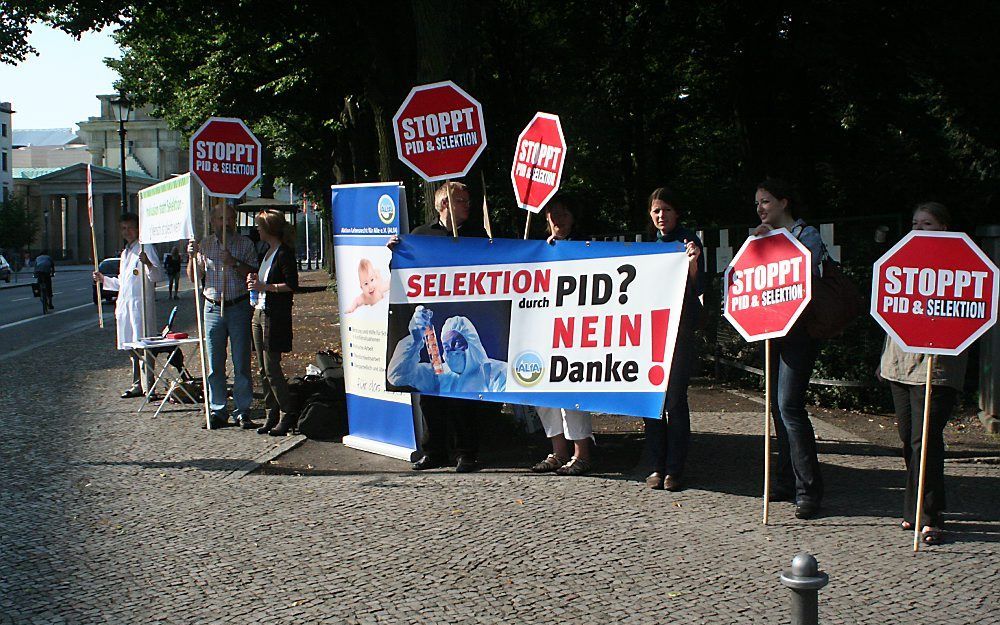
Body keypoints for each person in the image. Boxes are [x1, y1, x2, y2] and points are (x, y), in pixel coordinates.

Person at [878, 202, 966, 545]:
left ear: (943, 228)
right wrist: (883, 360)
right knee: (908, 438)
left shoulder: (960, 265)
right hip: (900, 364)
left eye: (927, 223)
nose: (919, 229)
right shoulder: (901, 261)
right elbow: (888, 309)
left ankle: (929, 515)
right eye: (914, 223)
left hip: (938, 368)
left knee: (925, 440)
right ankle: (916, 508)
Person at [389, 181, 491, 473]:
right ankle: (433, 450)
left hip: (463, 320)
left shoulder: (476, 235)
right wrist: (397, 254)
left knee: (464, 394)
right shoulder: (420, 236)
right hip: (433, 326)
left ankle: (466, 452)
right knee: (431, 396)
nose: (467, 206)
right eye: (461, 201)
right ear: (444, 204)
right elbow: (404, 277)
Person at [752, 178, 826, 519]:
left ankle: (808, 491)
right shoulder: (762, 238)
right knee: (778, 410)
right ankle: (785, 481)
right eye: (757, 204)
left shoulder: (806, 235)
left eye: (766, 201)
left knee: (790, 407)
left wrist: (773, 245)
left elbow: (805, 276)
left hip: (799, 334)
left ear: (784, 202)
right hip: (773, 332)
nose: (761, 208)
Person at [528, 195, 596, 476]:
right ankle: (558, 451)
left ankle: (582, 453)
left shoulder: (587, 246)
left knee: (572, 391)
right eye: (553, 214)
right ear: (545, 218)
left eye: (564, 214)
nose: (559, 219)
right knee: (542, 391)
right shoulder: (534, 249)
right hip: (542, 328)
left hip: (574, 331)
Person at [642, 187, 704, 491]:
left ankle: (675, 469)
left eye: (666, 209)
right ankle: (656, 465)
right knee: (652, 399)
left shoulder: (690, 242)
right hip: (650, 333)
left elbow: (696, 286)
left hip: (678, 332)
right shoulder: (647, 247)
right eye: (656, 211)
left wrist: (692, 262)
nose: (661, 216)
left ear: (676, 212)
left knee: (675, 400)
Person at [187, 205, 259, 429]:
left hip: (238, 307)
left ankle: (242, 410)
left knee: (241, 362)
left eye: (229, 218)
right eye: (220, 218)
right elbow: (194, 277)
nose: (225, 222)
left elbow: (253, 273)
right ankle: (218, 409)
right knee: (214, 365)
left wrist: (234, 262)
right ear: (212, 221)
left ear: (234, 221)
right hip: (212, 308)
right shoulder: (205, 245)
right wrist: (191, 257)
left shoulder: (244, 244)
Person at [93, 213, 164, 398]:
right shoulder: (125, 252)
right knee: (132, 348)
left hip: (141, 306)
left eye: (130, 228)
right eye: (123, 228)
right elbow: (123, 283)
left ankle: (150, 386)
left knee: (144, 346)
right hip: (126, 305)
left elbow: (157, 276)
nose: (127, 232)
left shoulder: (145, 247)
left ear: (138, 229)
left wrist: (148, 263)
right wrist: (104, 280)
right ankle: (137, 384)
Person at [247, 209, 299, 436]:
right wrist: (255, 282)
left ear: (269, 229)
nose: (256, 230)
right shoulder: (266, 252)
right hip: (258, 311)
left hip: (273, 315)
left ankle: (288, 413)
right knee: (261, 367)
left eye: (259, 226)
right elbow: (265, 282)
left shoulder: (284, 253)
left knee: (271, 367)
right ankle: (271, 413)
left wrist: (264, 287)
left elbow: (291, 284)